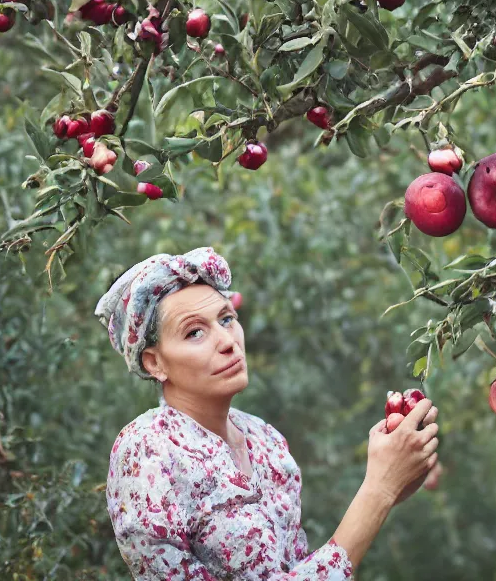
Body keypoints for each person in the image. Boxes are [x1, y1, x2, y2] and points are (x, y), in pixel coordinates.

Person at [96, 247, 440, 580]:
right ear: (155, 362)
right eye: (195, 332)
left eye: (227, 318)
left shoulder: (265, 440)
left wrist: (392, 484)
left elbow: (300, 570)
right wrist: (377, 491)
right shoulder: (148, 450)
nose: (228, 341)